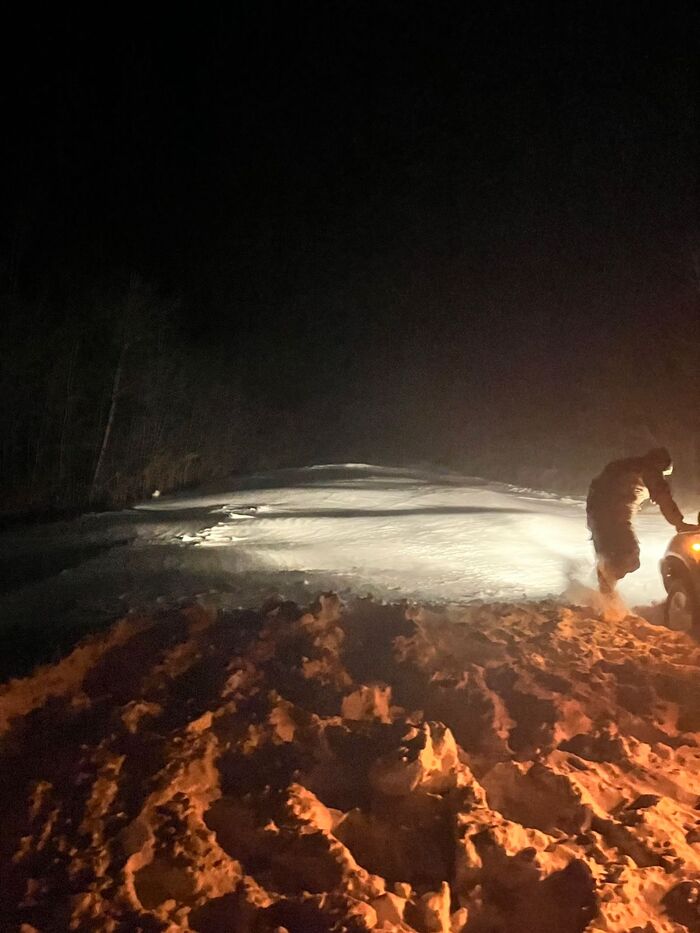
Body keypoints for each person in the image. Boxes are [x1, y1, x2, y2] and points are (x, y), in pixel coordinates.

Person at [586, 447, 696, 595]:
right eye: (663, 473)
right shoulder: (649, 469)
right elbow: (663, 497)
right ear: (661, 464)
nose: (662, 477)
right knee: (627, 556)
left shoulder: (628, 465)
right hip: (612, 517)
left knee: (612, 556)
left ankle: (603, 595)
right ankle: (605, 594)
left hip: (599, 513)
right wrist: (679, 523)